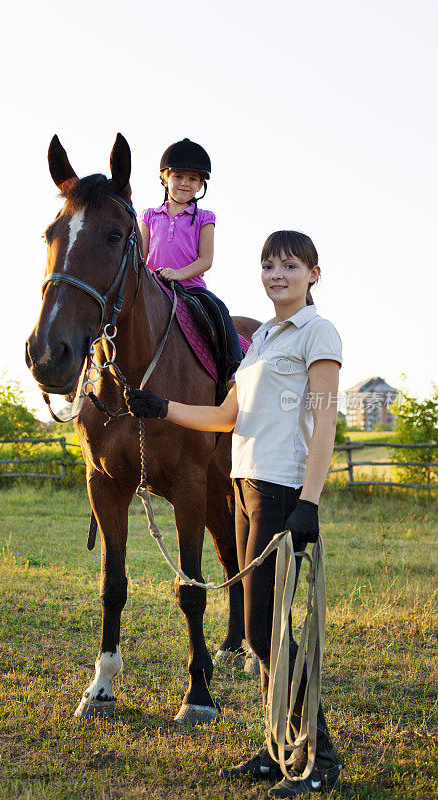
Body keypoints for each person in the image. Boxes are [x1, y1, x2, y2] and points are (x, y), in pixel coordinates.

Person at [125, 230, 344, 798]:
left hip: (281, 488)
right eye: (268, 265)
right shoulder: (266, 337)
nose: (276, 274)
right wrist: (164, 408)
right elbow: (226, 416)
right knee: (256, 631)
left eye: (289, 265)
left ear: (313, 273)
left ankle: (318, 754)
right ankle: (278, 746)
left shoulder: (317, 333)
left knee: (267, 626)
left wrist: (310, 502)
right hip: (244, 486)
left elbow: (325, 424)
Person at [139, 138, 243, 380]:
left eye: (193, 179)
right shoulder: (149, 216)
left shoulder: (204, 217)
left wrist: (179, 274)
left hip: (191, 289)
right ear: (165, 178)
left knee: (220, 312)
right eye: (178, 176)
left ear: (200, 185)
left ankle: (232, 370)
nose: (185, 183)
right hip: (154, 287)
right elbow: (140, 258)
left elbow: (206, 260)